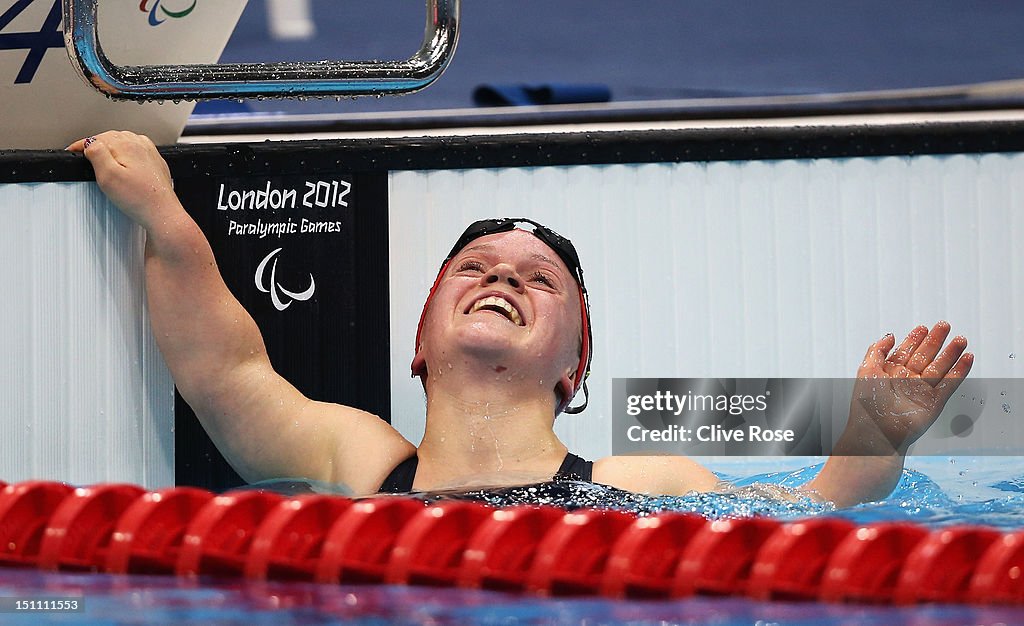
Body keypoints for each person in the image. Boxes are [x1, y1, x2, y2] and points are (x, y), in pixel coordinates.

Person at [67, 131, 974, 507]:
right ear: (419, 343)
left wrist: (870, 440)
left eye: (539, 280)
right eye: (475, 268)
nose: (503, 276)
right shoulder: (358, 458)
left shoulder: (637, 480)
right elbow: (227, 375)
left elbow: (807, 520)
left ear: (574, 366)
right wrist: (165, 217)